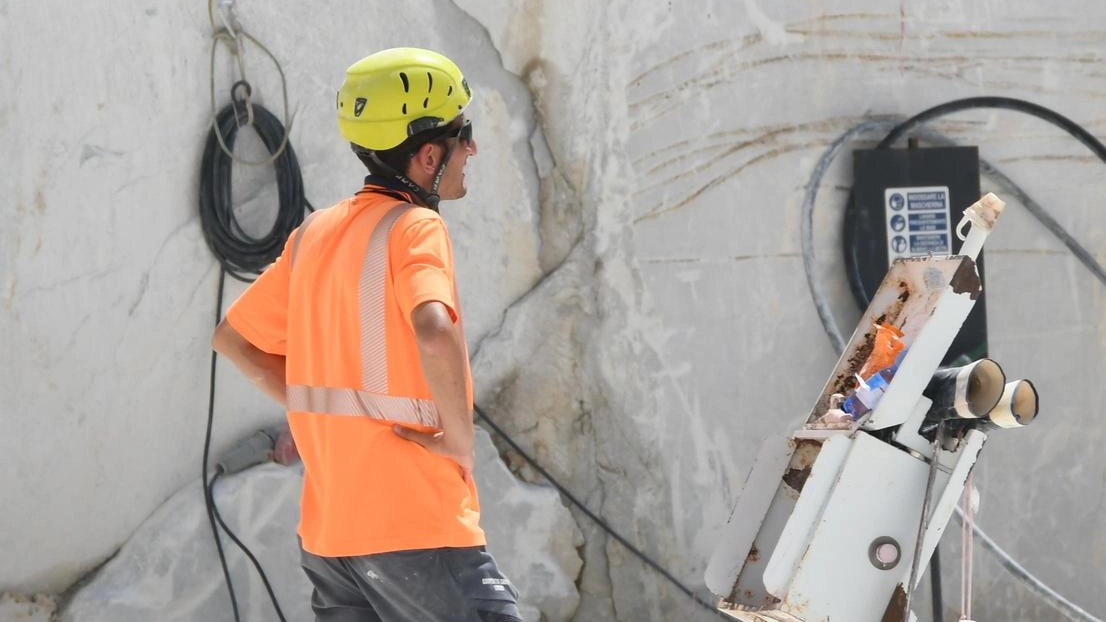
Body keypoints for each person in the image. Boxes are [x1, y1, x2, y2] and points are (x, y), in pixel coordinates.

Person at [211, 47, 522, 622]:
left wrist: (317, 409)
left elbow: (233, 339)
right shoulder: (415, 227)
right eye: (464, 135)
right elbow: (433, 330)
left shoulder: (314, 235)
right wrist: (460, 439)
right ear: (430, 154)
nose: (471, 149)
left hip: (332, 538)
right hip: (413, 525)